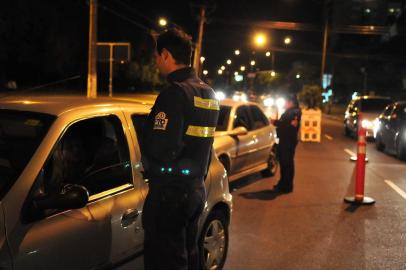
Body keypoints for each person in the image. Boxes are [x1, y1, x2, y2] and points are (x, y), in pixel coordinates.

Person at [141, 28, 219, 270]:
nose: (156, 62)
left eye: (156, 57)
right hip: (196, 190)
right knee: (189, 254)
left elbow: (163, 148)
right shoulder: (208, 92)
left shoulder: (174, 93)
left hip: (170, 196)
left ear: (165, 55)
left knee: (166, 262)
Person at [272, 94, 301, 193]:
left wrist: (275, 122)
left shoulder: (295, 112)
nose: (285, 104)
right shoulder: (290, 111)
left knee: (287, 164)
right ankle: (282, 183)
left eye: (286, 102)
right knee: (283, 163)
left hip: (288, 141)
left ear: (291, 102)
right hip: (284, 140)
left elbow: (288, 125)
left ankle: (287, 186)